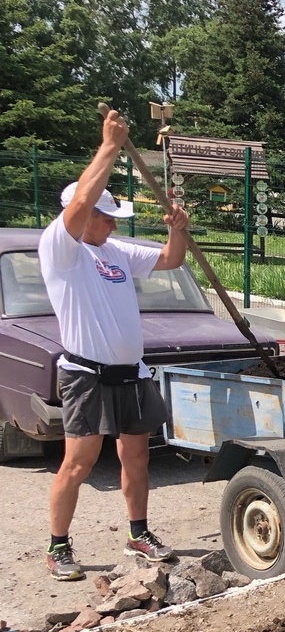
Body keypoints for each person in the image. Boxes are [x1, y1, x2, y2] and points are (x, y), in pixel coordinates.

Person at [38, 109, 189, 581]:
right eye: (106, 216)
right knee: (79, 461)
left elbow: (170, 260)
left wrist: (176, 228)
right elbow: (79, 202)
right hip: (86, 374)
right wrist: (108, 146)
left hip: (131, 372)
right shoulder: (61, 249)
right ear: (88, 215)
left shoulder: (116, 250)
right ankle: (58, 546)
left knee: (136, 456)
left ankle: (138, 534)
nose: (111, 224)